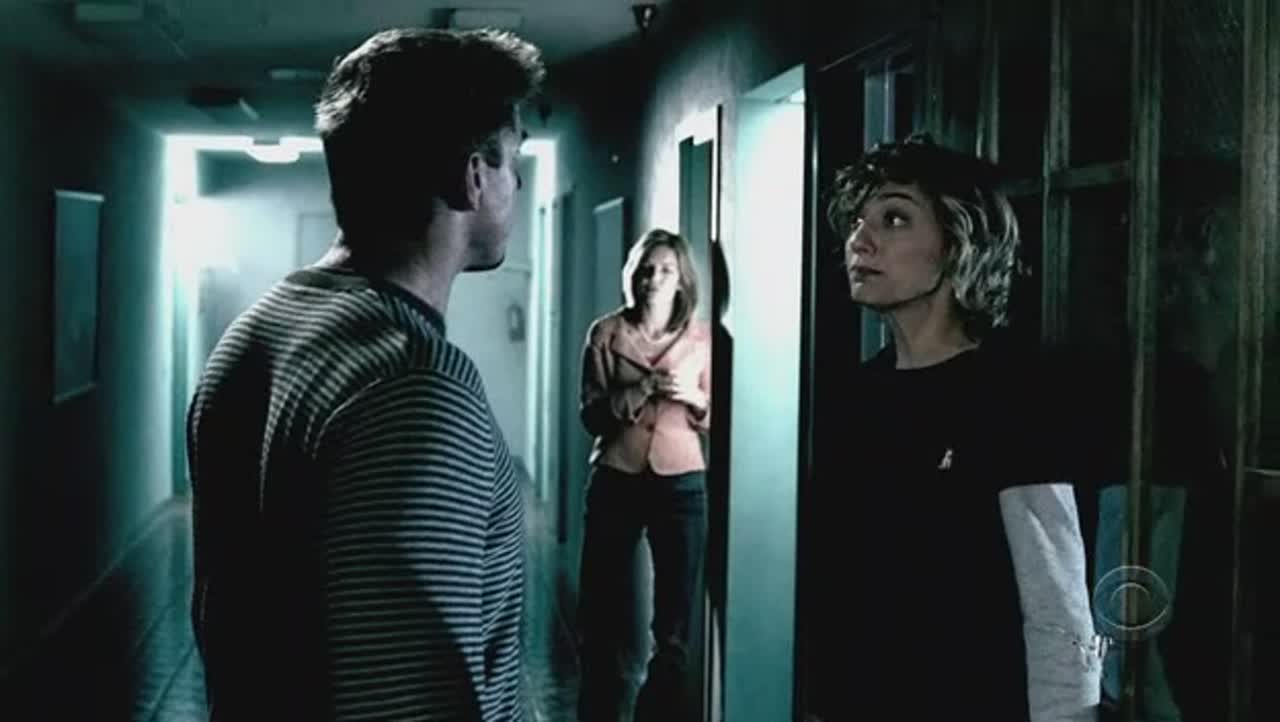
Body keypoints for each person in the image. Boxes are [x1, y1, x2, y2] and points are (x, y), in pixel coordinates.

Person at [185, 28, 545, 721]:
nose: (519, 183)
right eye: (513, 157)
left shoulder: (255, 333)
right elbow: (408, 699)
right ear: (472, 176)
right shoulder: (416, 385)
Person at [808, 134, 1103, 721]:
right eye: (857, 221)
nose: (860, 240)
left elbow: (1055, 602)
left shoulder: (1013, 395)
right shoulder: (852, 398)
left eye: (894, 219)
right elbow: (839, 582)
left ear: (958, 244)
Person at [576, 229, 712, 722]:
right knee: (600, 613)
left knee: (674, 625)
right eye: (647, 269)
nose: (655, 278)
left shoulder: (702, 338)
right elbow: (592, 416)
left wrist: (694, 399)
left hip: (681, 483)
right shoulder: (606, 333)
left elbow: (718, 415)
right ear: (632, 276)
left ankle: (656, 712)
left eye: (666, 270)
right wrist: (642, 389)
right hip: (617, 477)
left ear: (682, 281)